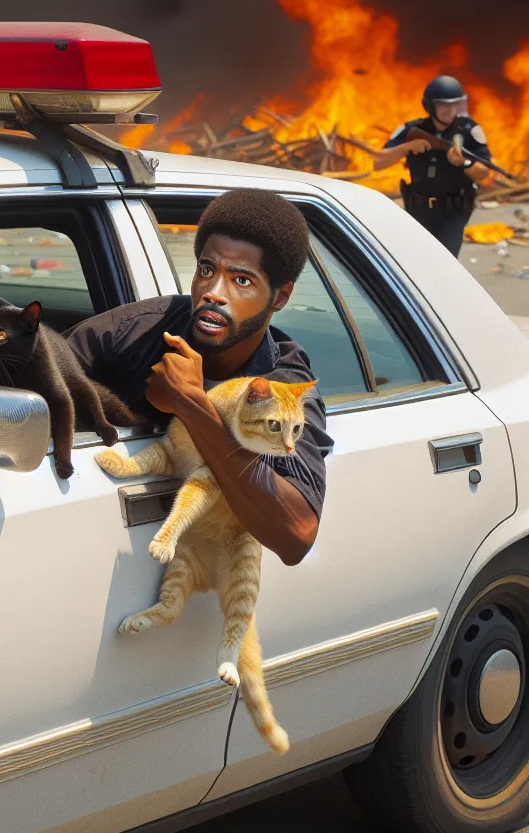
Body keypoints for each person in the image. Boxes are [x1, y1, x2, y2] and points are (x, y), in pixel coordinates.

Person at [68, 188, 332, 567]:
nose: (213, 293)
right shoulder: (137, 330)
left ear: (280, 296)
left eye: (241, 281)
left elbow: (296, 535)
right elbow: (36, 375)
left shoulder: (283, 385)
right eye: (207, 271)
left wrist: (191, 404)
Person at [374, 75, 491, 256]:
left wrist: (463, 163)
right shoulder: (412, 129)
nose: (451, 110)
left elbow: (483, 172)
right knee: (415, 264)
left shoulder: (469, 131)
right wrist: (406, 147)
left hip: (453, 212)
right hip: (417, 211)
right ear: (430, 105)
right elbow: (378, 162)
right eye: (445, 105)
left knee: (445, 263)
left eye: (455, 104)